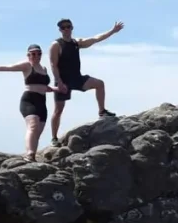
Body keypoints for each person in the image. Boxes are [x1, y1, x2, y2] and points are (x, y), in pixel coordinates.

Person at [0, 44, 65, 161]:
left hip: (42, 102)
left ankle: (31, 155)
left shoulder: (44, 69)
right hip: (29, 100)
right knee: (33, 125)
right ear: (28, 55)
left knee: (37, 131)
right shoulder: (27, 65)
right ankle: (30, 155)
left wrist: (56, 89)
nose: (36, 55)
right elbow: (9, 67)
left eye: (38, 53)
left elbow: (44, 87)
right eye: (33, 53)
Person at [48, 18, 125, 146]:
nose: (66, 29)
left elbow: (95, 39)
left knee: (99, 84)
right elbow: (53, 65)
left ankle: (102, 112)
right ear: (60, 30)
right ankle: (54, 138)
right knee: (58, 110)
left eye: (68, 26)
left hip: (77, 78)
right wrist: (59, 82)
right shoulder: (56, 45)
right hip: (63, 81)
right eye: (63, 27)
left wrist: (112, 31)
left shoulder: (76, 43)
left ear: (72, 27)